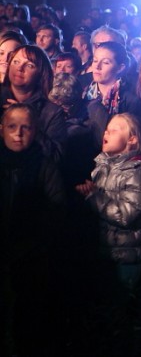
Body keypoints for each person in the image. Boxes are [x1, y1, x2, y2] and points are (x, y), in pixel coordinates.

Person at [0, 104, 67, 356]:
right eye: (12, 127)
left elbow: (56, 210)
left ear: (36, 130)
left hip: (30, 259)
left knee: (27, 324)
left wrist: (29, 246)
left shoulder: (44, 167)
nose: (18, 133)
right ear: (2, 130)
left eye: (26, 127)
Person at [76, 113, 141, 290]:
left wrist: (94, 197)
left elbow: (127, 216)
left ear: (132, 140)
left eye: (114, 130)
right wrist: (87, 193)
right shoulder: (102, 166)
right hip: (105, 253)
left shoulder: (137, 173)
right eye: (106, 130)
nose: (106, 133)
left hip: (127, 259)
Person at [0, 44, 68, 155]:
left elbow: (57, 156)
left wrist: (30, 124)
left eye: (29, 65)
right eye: (16, 62)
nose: (20, 68)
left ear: (40, 74)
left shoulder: (52, 112)